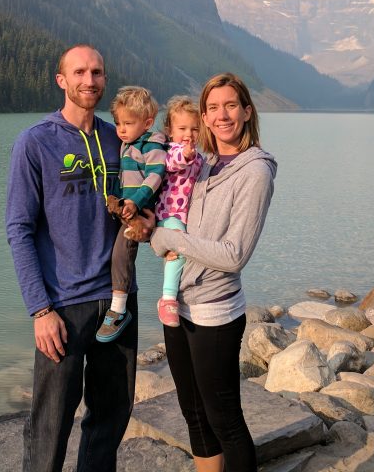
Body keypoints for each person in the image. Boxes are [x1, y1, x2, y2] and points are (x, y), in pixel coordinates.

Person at [4, 44, 136, 472]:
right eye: (79, 72)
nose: (90, 80)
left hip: (118, 302)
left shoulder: (119, 139)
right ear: (61, 80)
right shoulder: (36, 141)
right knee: (50, 424)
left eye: (97, 72)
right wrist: (39, 309)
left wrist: (148, 222)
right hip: (62, 305)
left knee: (110, 419)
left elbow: (144, 199)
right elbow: (19, 229)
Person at [148, 73, 276, 472]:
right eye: (213, 108)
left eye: (231, 105)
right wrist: (156, 234)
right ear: (203, 116)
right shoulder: (201, 164)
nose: (222, 116)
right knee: (195, 416)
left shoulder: (255, 172)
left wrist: (170, 240)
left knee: (226, 421)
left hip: (215, 315)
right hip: (179, 308)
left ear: (247, 111)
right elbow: (172, 221)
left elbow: (234, 254)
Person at [95, 86, 167, 342]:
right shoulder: (129, 143)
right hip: (128, 207)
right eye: (117, 123)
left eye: (128, 123)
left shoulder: (151, 146)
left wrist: (135, 202)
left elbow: (154, 177)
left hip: (141, 210)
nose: (121, 129)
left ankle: (118, 309)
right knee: (116, 253)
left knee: (122, 254)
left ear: (147, 122)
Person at [154, 95, 203, 327]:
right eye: (182, 128)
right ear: (170, 131)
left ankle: (182, 294)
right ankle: (168, 298)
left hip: (185, 216)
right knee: (179, 249)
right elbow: (174, 162)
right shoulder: (171, 150)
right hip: (169, 214)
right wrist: (186, 155)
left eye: (194, 129)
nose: (189, 134)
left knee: (184, 253)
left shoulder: (199, 157)